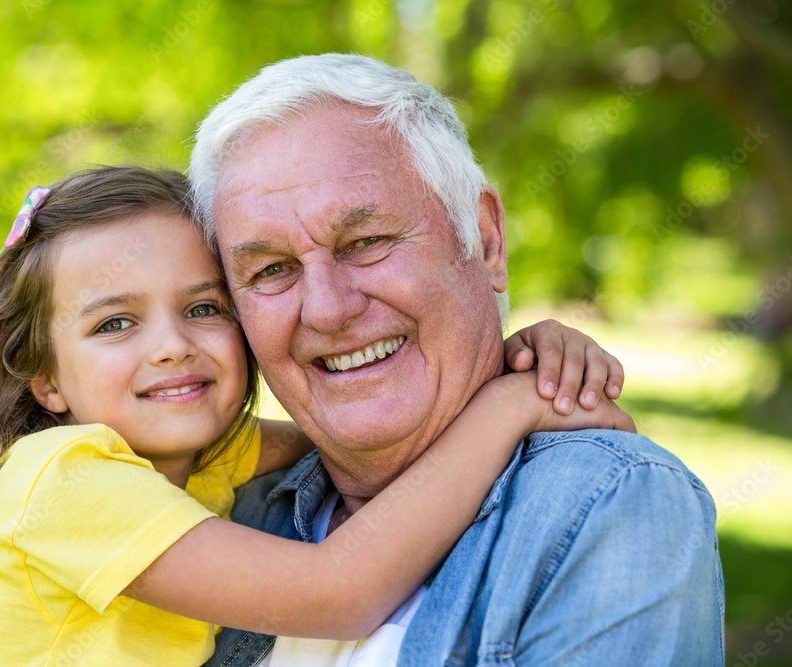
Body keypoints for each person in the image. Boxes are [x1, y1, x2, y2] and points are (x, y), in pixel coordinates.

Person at [0, 166, 633, 667]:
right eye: (114, 324)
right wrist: (510, 406)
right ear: (45, 379)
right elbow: (340, 590)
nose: (172, 347)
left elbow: (382, 436)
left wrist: (520, 365)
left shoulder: (202, 460)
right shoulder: (63, 481)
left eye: (203, 307)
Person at [189, 54, 725, 665]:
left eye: (366, 242)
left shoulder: (604, 502)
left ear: (486, 240)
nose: (328, 310)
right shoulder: (228, 514)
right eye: (272, 271)